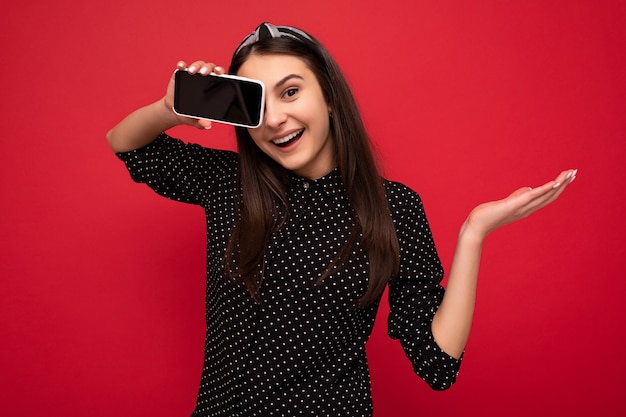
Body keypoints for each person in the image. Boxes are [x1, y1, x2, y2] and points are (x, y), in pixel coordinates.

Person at [106, 22, 576, 417]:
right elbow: (125, 144)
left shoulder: (394, 209)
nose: (276, 120)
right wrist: (168, 109)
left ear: (328, 94)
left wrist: (473, 233)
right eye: (258, 105)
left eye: (291, 91)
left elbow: (437, 364)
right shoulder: (231, 184)